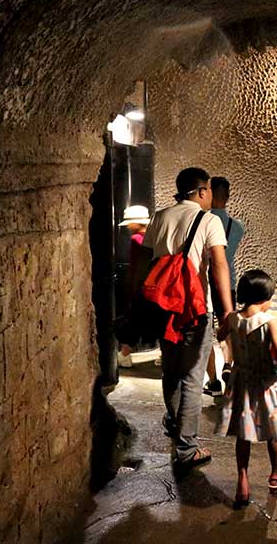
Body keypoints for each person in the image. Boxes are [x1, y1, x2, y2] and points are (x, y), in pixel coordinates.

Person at [141, 167, 234, 475]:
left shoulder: (160, 217)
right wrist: (228, 311)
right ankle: (187, 447)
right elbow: (219, 266)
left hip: (162, 307)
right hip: (194, 309)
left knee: (171, 370)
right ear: (202, 192)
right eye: (208, 191)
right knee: (193, 377)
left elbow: (144, 262)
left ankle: (175, 421)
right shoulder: (210, 221)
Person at [216, 269, 277, 509]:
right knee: (273, 432)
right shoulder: (269, 322)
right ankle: (275, 475)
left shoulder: (231, 318)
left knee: (243, 433)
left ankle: (242, 481)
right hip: (265, 384)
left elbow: (220, 336)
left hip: (240, 381)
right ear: (264, 298)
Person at [204, 176, 245, 397]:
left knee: (206, 332)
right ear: (228, 196)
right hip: (228, 282)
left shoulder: (203, 222)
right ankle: (227, 364)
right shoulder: (238, 227)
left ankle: (212, 382)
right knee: (226, 326)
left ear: (209, 193)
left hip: (205, 282)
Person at [116, 205, 151, 368]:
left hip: (141, 286)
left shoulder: (136, 239)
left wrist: (132, 286)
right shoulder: (153, 237)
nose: (129, 227)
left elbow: (137, 266)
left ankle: (124, 354)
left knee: (132, 321)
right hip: (154, 286)